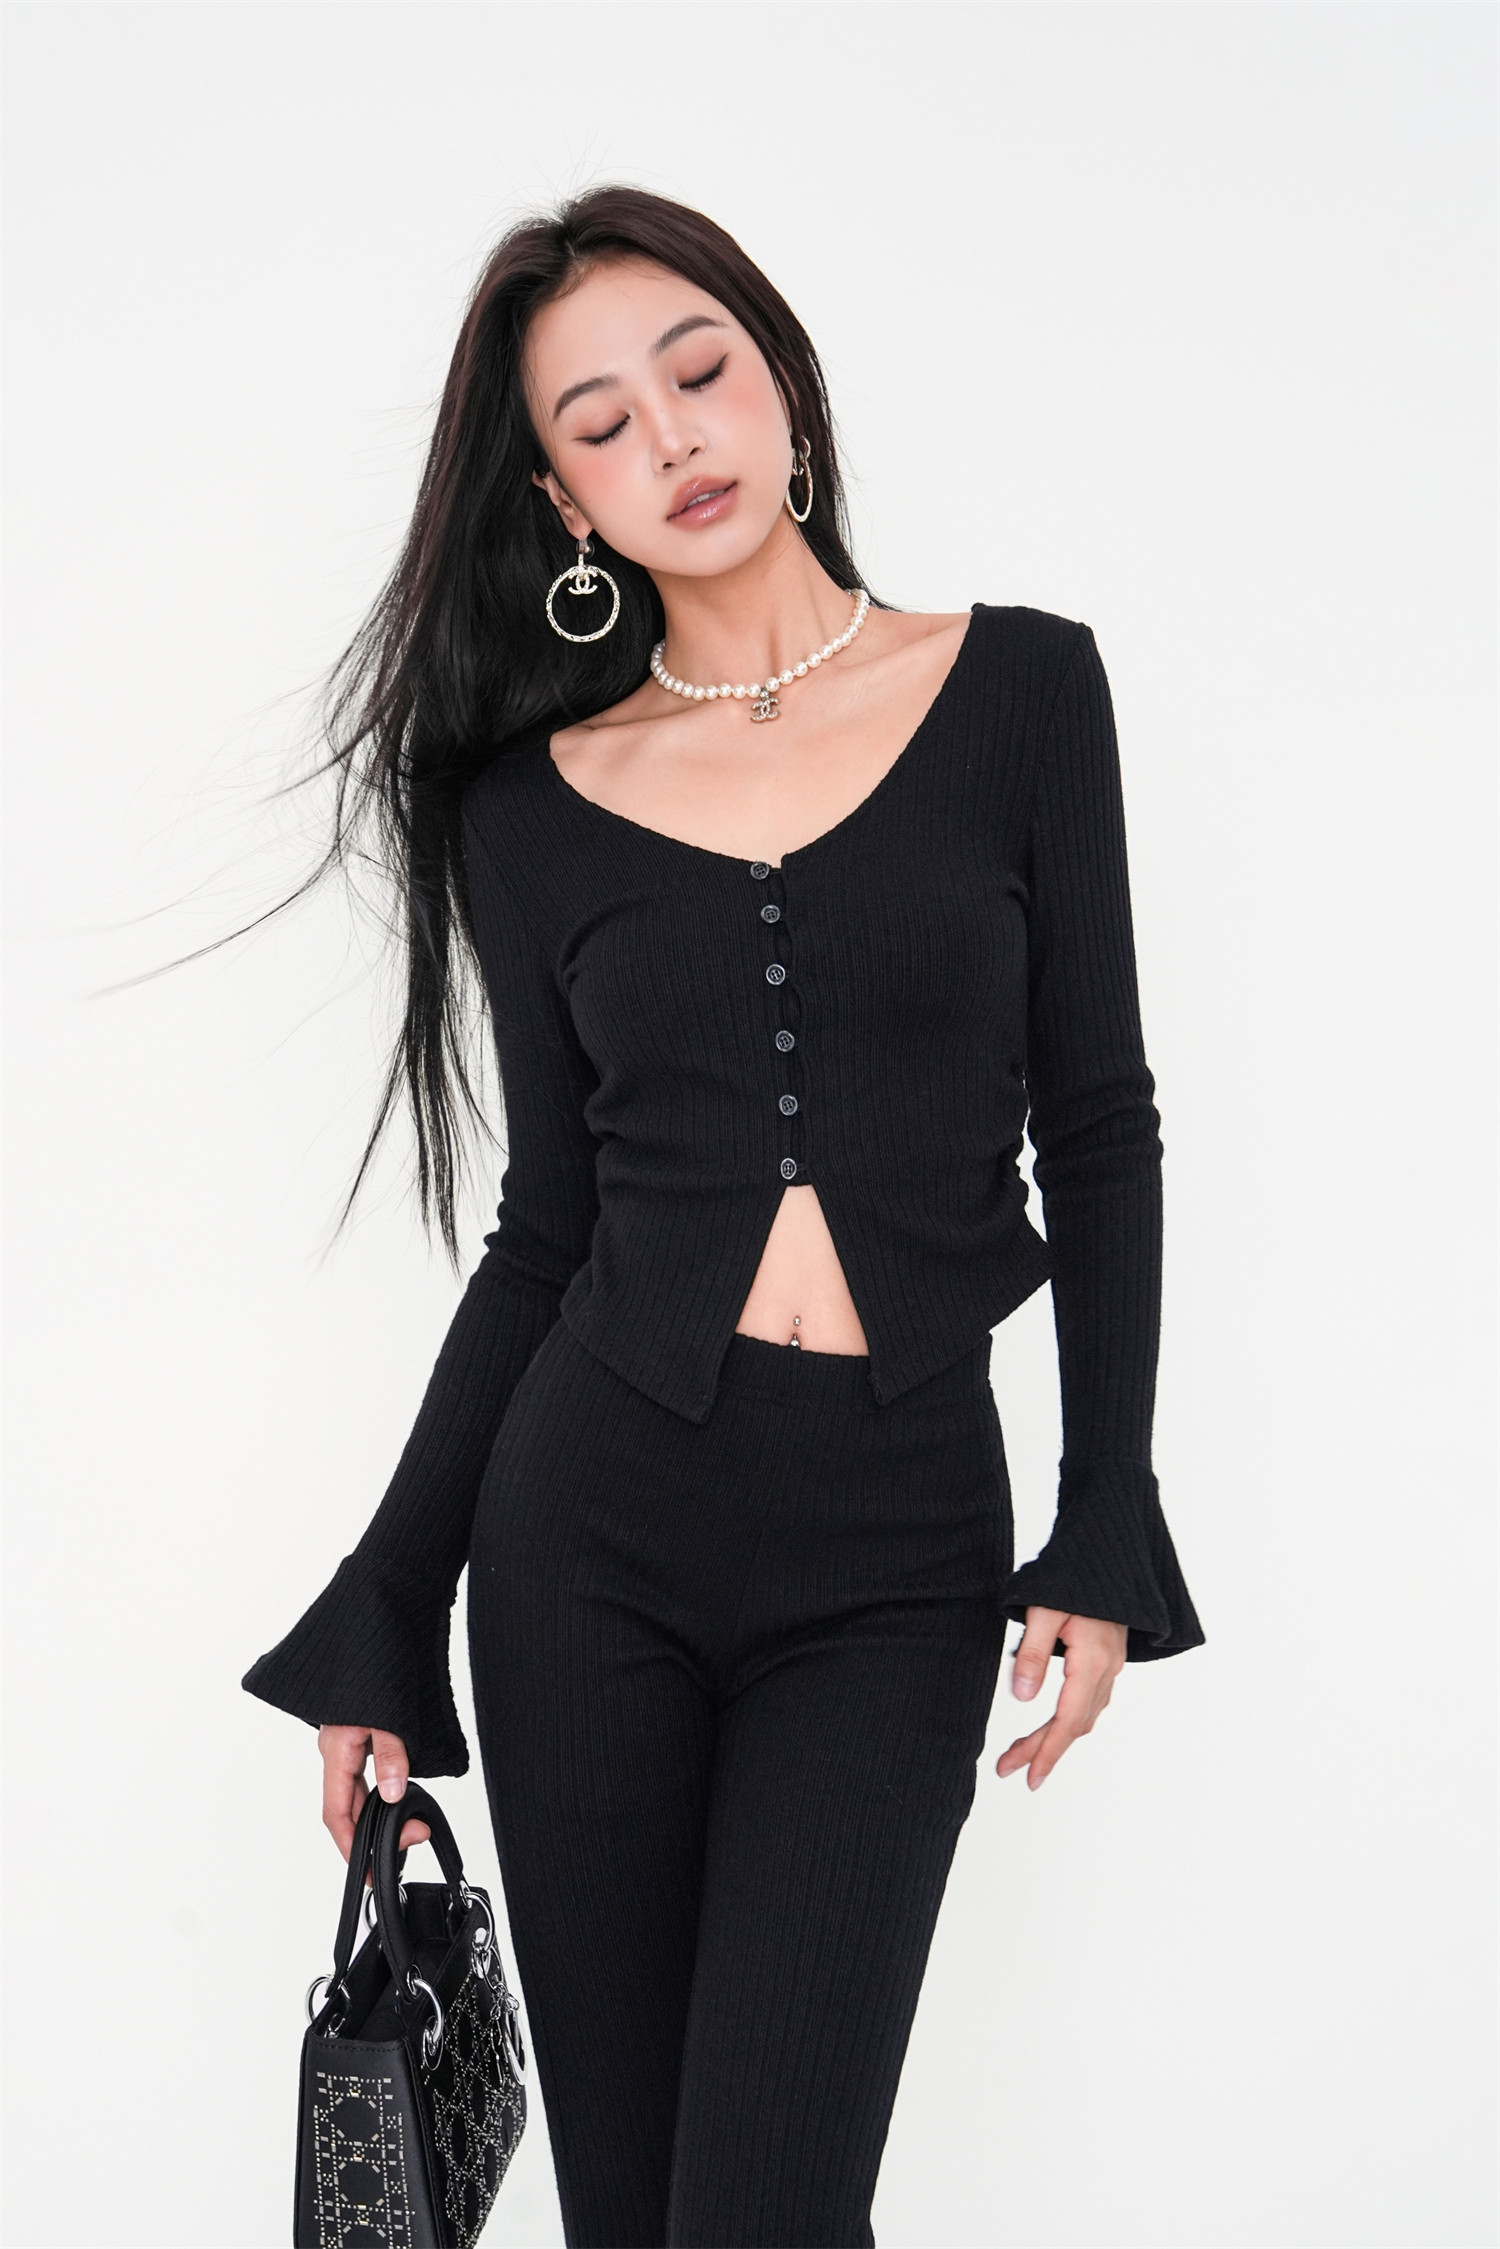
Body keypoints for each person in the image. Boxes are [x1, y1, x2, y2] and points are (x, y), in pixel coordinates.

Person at [243, 184, 1205, 2249]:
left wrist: (1106, 1508)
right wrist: (390, 1600)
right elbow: (547, 1230)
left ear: (785, 387)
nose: (670, 436)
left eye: (700, 373)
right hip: (590, 1543)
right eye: (599, 422)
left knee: (767, 2209)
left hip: (896, 1549)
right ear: (560, 501)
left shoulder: (1025, 695)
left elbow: (1101, 1123)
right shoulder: (527, 809)